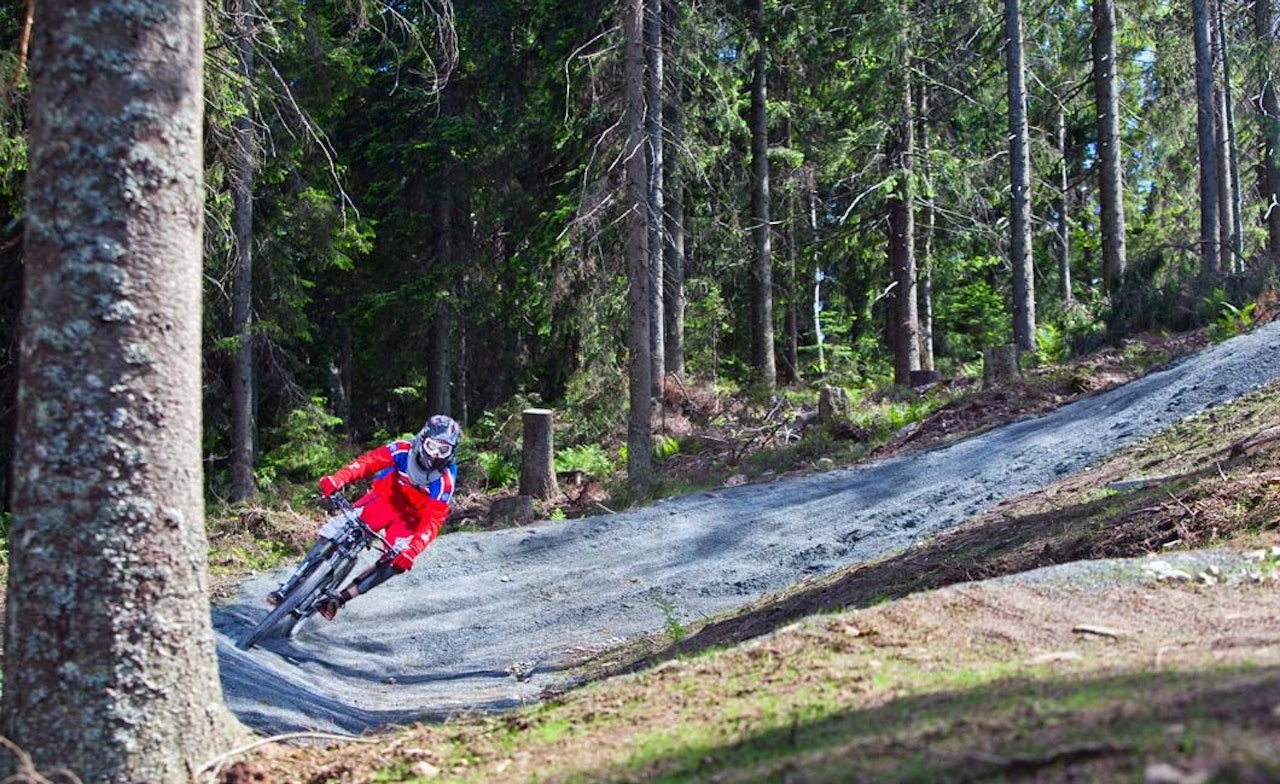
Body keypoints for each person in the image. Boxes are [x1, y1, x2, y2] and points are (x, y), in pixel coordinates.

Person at [267, 414, 461, 620]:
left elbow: (433, 520)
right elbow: (368, 462)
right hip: (384, 499)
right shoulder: (403, 449)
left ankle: (339, 599)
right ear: (422, 439)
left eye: (444, 450)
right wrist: (338, 479)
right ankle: (292, 584)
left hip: (410, 520)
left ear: (451, 452)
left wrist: (412, 550)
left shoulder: (445, 481)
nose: (435, 455)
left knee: (396, 562)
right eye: (432, 446)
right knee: (336, 528)